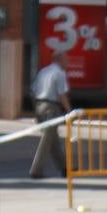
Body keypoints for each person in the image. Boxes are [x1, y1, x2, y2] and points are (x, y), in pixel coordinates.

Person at [28, 50, 71, 179]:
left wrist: (35, 110)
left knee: (53, 140)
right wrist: (69, 111)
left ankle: (65, 168)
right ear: (60, 60)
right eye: (66, 59)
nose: (67, 62)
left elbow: (33, 91)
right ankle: (36, 170)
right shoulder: (59, 73)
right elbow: (61, 94)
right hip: (51, 107)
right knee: (47, 141)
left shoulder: (44, 71)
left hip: (39, 105)